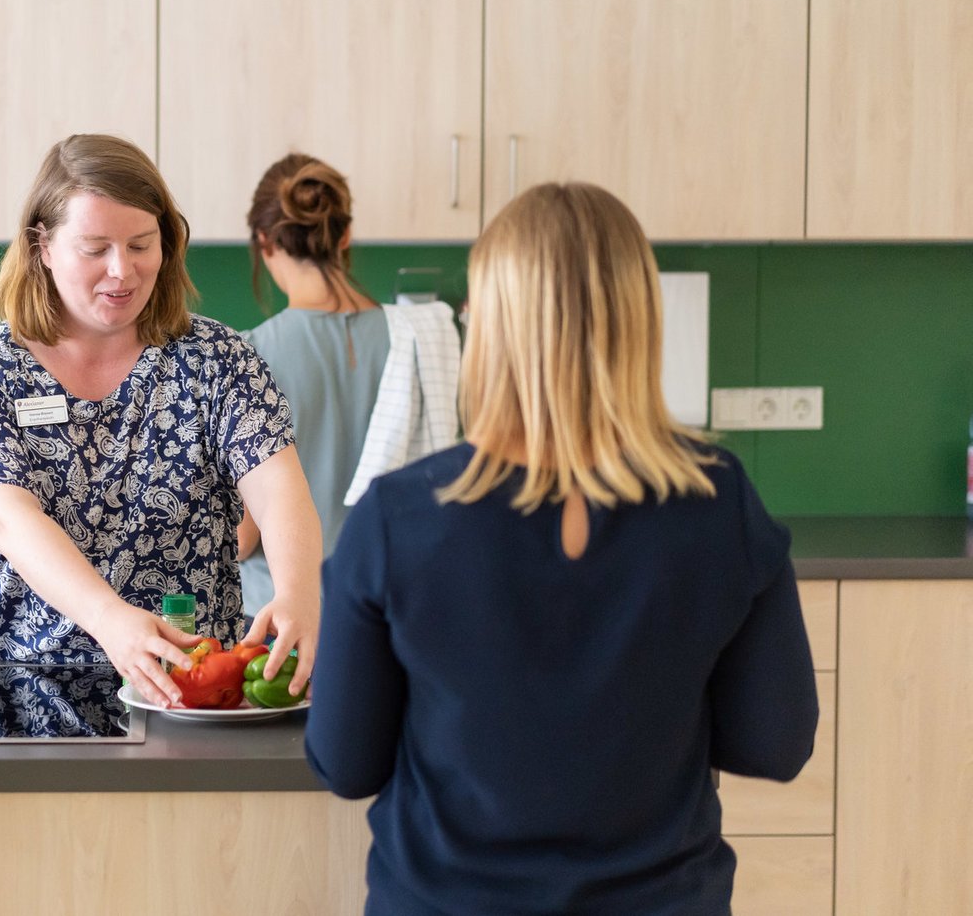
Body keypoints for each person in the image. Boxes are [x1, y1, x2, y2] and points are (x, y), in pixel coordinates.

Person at [304, 183, 820, 915]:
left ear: (489, 324)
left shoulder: (399, 516)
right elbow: (776, 744)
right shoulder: (719, 501)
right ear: (640, 319)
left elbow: (347, 763)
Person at [0, 133, 320, 709]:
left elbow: (278, 487)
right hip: (25, 680)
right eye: (95, 248)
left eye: (141, 244)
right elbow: (10, 520)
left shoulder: (217, 359)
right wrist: (110, 620)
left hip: (193, 683)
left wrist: (299, 590)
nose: (122, 271)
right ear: (42, 245)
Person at [238, 153, 459, 616]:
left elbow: (241, 539)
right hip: (387, 606)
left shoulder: (249, 354)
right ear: (345, 236)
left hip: (278, 619)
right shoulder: (421, 342)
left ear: (264, 241)